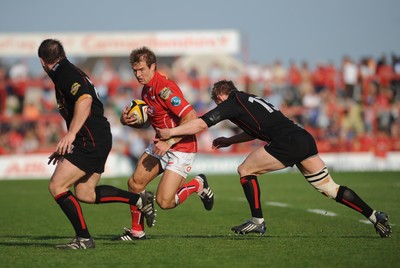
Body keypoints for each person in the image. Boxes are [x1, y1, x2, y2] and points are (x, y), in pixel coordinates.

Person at [156, 80, 392, 238]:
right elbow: (255, 131)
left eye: (217, 101)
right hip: (301, 137)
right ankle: (375, 216)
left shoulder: (231, 102)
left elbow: (201, 122)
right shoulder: (249, 100)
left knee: (245, 170)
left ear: (220, 95)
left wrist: (172, 133)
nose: (219, 105)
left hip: (286, 142)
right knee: (330, 188)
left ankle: (257, 220)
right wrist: (230, 141)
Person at [38, 39, 156, 249]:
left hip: (90, 139)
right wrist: (69, 142)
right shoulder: (67, 71)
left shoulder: (64, 73)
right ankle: (139, 200)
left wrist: (71, 135)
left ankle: (83, 238)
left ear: (42, 62)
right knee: (85, 192)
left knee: (57, 186)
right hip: (96, 137)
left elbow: (85, 100)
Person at [116, 47, 214, 240]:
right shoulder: (145, 92)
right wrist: (124, 121)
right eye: (135, 71)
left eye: (142, 69)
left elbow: (192, 118)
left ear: (153, 66)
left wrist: (169, 141)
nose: (138, 74)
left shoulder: (164, 88)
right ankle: (137, 231)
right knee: (135, 183)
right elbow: (152, 123)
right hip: (161, 144)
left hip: (181, 148)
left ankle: (197, 184)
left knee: (164, 202)